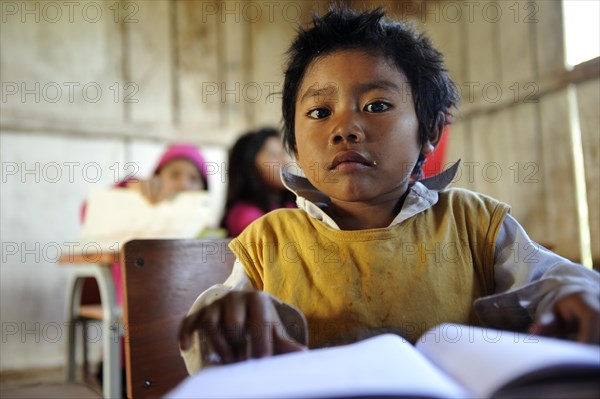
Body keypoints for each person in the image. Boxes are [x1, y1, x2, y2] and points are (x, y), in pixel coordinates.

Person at [178, 7, 600, 373]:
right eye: (319, 112)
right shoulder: (269, 242)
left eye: (377, 105)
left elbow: (564, 283)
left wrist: (573, 297)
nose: (344, 129)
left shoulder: (475, 225)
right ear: (296, 149)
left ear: (430, 131)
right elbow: (203, 346)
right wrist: (226, 321)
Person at [221, 127, 296, 237]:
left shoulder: (290, 204)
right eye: (272, 155)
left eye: (283, 154)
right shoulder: (244, 215)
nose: (284, 162)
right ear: (249, 165)